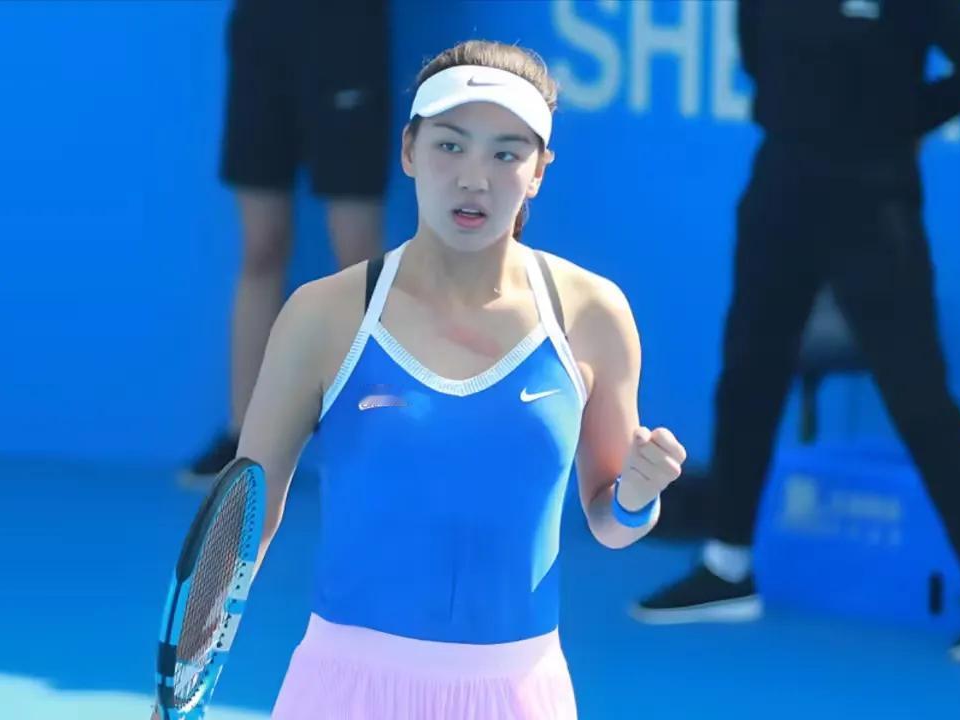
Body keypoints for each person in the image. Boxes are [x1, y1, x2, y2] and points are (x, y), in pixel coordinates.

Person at [235, 40, 686, 719]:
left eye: (506, 154)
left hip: (518, 695)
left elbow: (610, 521)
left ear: (538, 172)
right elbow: (243, 521)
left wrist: (636, 498)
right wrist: (183, 670)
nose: (475, 178)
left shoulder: (594, 314)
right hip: (343, 691)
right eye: (450, 146)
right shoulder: (321, 315)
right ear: (409, 151)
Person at [631, 0, 960, 664]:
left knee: (918, 395)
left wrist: (896, 122)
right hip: (780, 189)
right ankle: (728, 567)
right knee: (748, 377)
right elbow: (757, 55)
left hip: (876, 203)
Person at [183, 0, 391, 483]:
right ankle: (244, 439)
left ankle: (377, 432)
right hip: (262, 33)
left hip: (347, 37)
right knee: (261, 245)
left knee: (358, 257)